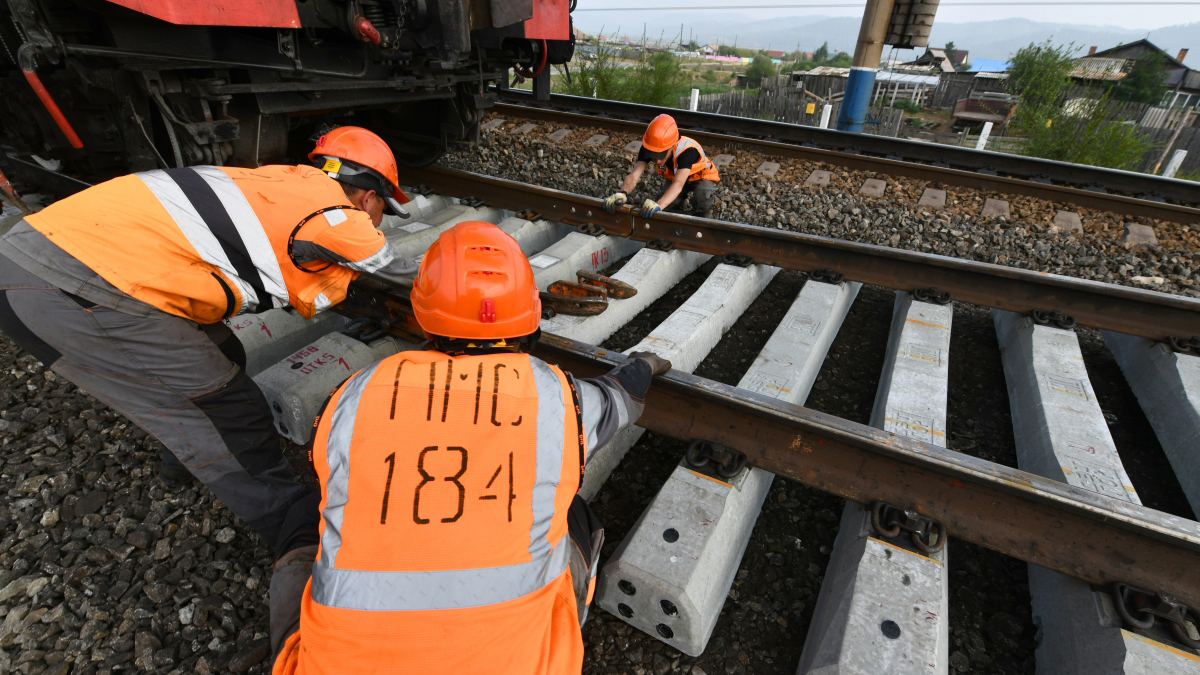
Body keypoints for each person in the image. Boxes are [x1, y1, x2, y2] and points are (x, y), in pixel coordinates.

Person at [269, 221, 672, 675]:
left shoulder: (356, 392)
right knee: (571, 509)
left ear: (423, 314)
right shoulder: (557, 397)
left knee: (309, 512)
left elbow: (331, 473)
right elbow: (622, 399)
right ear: (530, 316)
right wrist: (639, 368)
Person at [0, 126, 420, 549]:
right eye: (384, 210)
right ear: (369, 197)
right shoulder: (340, 217)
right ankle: (295, 528)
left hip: (34, 254)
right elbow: (413, 280)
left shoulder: (282, 181)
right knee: (230, 409)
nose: (378, 221)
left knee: (224, 351)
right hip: (72, 288)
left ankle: (183, 458)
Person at [603, 113, 721, 219]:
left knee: (702, 196)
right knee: (667, 205)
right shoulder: (649, 146)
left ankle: (701, 216)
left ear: (672, 145)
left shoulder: (687, 151)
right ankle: (676, 213)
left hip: (699, 176)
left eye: (661, 155)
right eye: (654, 156)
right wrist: (622, 193)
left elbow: (678, 184)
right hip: (676, 177)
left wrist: (659, 205)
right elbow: (634, 175)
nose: (658, 162)